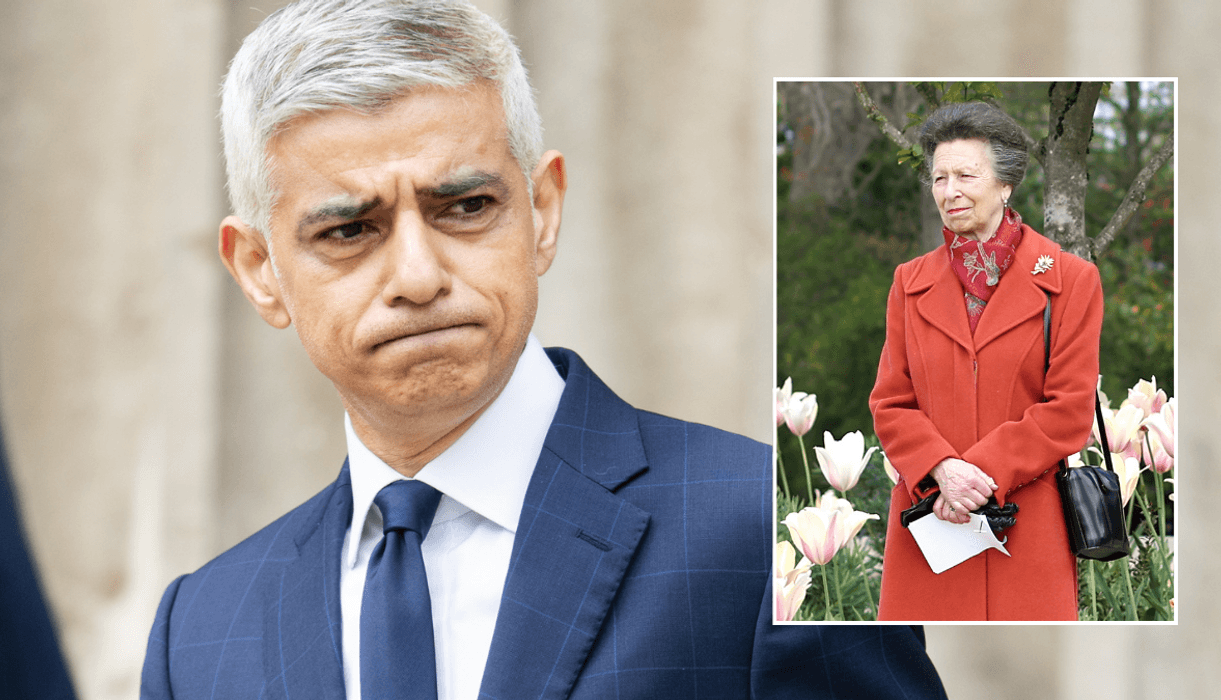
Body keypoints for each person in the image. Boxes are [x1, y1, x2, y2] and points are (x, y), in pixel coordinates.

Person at [140, 1, 948, 697]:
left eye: (463, 206)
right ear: (260, 272)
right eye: (349, 229)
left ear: (543, 211)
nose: (418, 277)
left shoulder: (771, 534)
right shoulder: (200, 631)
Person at [870, 101, 1103, 621]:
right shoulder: (909, 282)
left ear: (1005, 184)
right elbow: (890, 401)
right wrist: (941, 472)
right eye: (939, 178)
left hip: (1026, 524)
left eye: (966, 176)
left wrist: (975, 475)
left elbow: (1068, 410)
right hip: (929, 522)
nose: (949, 191)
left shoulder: (1071, 281)